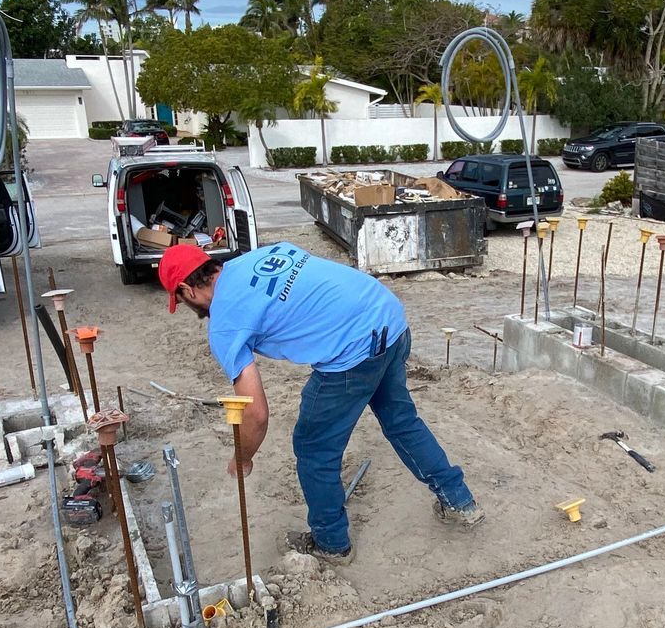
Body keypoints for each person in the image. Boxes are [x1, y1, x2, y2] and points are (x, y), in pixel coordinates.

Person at [157, 239, 481, 561]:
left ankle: (330, 543)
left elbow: (256, 414)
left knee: (314, 449)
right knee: (401, 421)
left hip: (353, 351)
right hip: (388, 317)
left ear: (187, 290)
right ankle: (459, 502)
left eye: (182, 301)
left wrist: (242, 458)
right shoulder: (255, 257)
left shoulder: (225, 325)